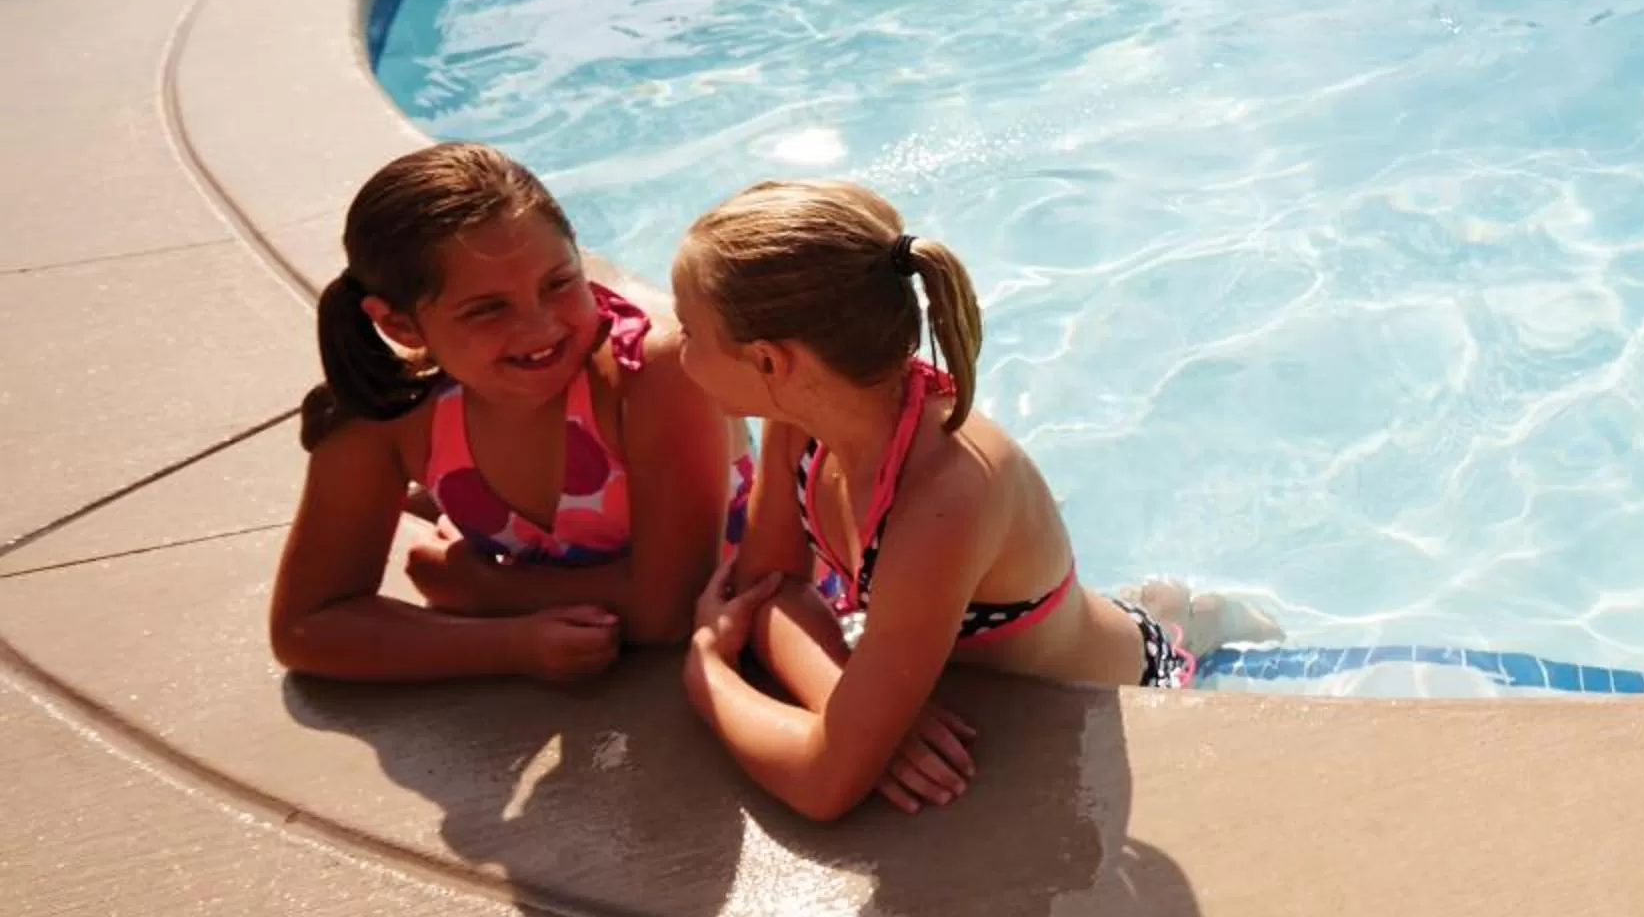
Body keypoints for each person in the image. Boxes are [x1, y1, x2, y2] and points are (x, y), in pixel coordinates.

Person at [673, 181, 1279, 819]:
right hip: (989, 645)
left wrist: (707, 674)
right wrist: (850, 703)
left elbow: (825, 783)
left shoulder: (945, 495)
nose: (677, 353)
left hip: (1118, 682)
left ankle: (1199, 616)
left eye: (689, 332)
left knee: (1178, 626)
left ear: (770, 361)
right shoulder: (802, 420)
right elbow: (767, 590)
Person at [270, 144, 749, 683]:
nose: (541, 327)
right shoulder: (393, 418)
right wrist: (506, 644)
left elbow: (671, 608)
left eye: (560, 283)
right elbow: (305, 627)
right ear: (400, 326)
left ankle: (441, 505)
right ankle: (441, 502)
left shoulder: (651, 371)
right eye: (487, 309)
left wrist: (483, 590)